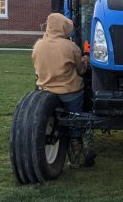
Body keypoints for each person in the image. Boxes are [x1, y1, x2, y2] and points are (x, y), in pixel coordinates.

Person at [31, 13, 91, 163]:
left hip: (45, 92)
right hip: (69, 92)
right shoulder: (70, 47)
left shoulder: (38, 45)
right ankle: (77, 152)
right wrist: (86, 59)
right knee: (75, 120)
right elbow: (81, 70)